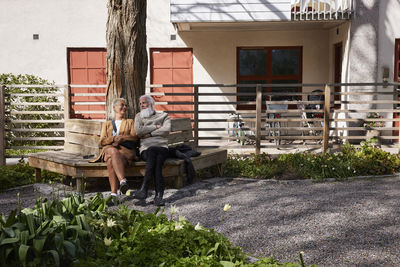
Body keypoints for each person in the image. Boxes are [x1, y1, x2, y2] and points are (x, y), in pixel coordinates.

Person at [90, 98, 138, 203]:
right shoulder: (107, 124)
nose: (124, 107)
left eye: (126, 105)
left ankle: (113, 195)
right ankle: (122, 181)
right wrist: (113, 139)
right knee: (112, 151)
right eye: (122, 105)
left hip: (124, 153)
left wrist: (122, 138)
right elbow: (102, 141)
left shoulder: (130, 122)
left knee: (111, 160)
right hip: (109, 150)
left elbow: (135, 137)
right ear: (114, 108)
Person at [134, 95, 171, 206]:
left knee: (154, 153)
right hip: (146, 150)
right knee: (154, 155)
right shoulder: (138, 117)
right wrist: (155, 127)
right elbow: (138, 131)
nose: (141, 105)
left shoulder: (164, 116)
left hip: (162, 148)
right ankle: (159, 196)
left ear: (151, 104)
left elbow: (166, 130)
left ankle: (144, 189)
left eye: (144, 103)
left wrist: (149, 134)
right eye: (140, 104)